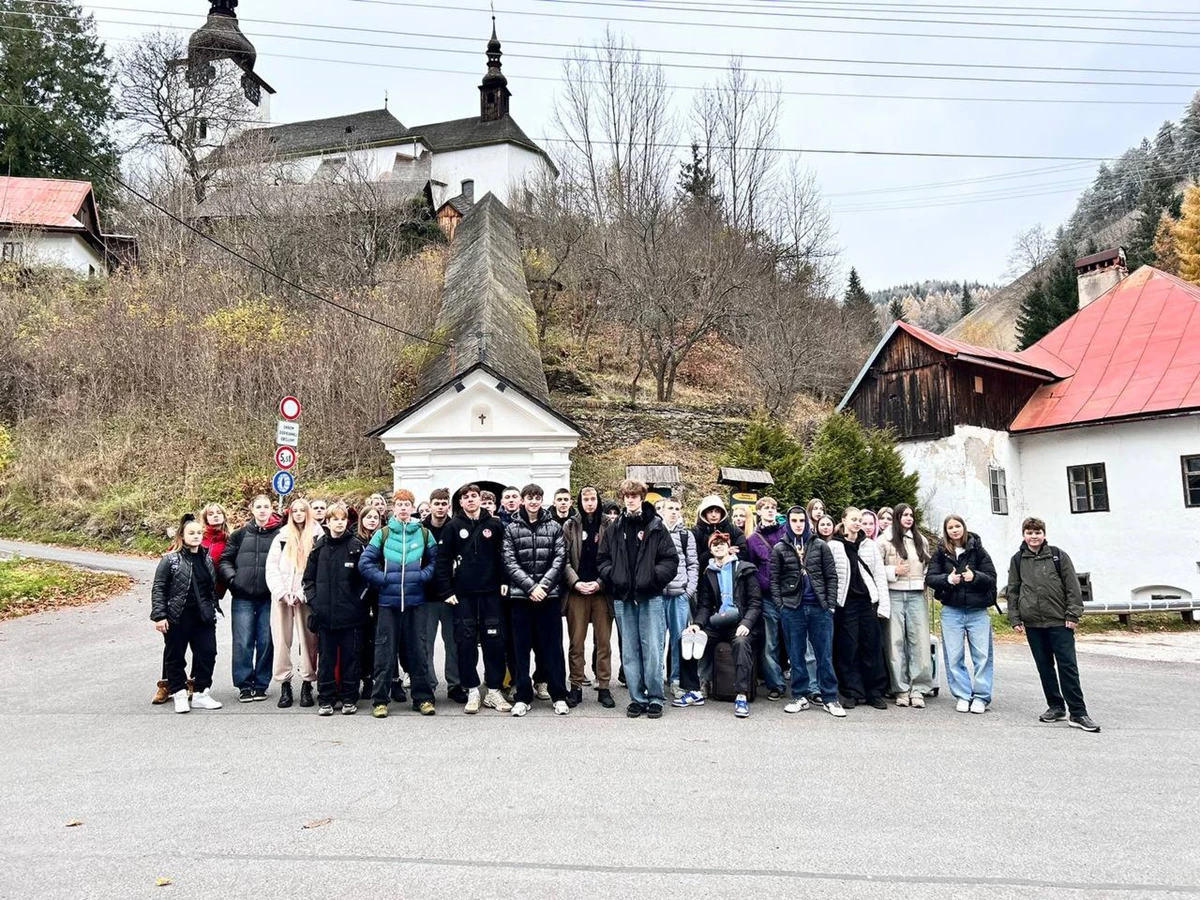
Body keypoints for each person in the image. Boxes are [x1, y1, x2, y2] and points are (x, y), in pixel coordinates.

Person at [1007, 517, 1099, 733]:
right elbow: (1013, 589)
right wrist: (1015, 618)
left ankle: (1077, 712)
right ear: (1024, 536)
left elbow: (1072, 587)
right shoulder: (1018, 559)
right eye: (1029, 532)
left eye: (1038, 532)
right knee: (1044, 666)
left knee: (1067, 665)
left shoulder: (1058, 556)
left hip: (1059, 620)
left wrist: (1073, 614)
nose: (1034, 536)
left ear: (1044, 534)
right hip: (1033, 622)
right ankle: (1055, 705)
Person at [598, 479, 679, 719]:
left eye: (635, 496)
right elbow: (602, 560)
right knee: (630, 651)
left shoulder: (656, 526)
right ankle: (637, 698)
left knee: (652, 648)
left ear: (642, 498)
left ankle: (655, 697)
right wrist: (615, 577)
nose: (630, 499)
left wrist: (652, 578)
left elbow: (670, 560)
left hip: (650, 596)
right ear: (623, 498)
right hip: (623, 597)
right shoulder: (614, 528)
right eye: (627, 496)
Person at [360, 489, 438, 718]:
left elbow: (436, 561)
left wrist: (422, 577)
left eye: (407, 504)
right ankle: (380, 701)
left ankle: (423, 698)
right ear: (394, 508)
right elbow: (365, 563)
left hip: (416, 603)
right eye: (399, 504)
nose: (403, 508)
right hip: (388, 604)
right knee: (384, 653)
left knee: (418, 652)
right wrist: (383, 579)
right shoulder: (383, 534)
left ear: (413, 508)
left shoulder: (424, 534)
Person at [436, 484, 511, 714]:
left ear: (481, 499)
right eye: (466, 497)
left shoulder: (495, 525)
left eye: (474, 496)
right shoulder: (452, 527)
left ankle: (494, 690)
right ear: (460, 502)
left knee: (494, 642)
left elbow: (504, 556)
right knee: (466, 642)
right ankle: (471, 689)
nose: (470, 500)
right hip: (463, 596)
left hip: (490, 594)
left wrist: (505, 581)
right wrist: (447, 591)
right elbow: (443, 561)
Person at [503, 483, 570, 717]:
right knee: (520, 649)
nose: (533, 502)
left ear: (542, 501)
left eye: (537, 498)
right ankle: (522, 696)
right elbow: (510, 562)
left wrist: (543, 586)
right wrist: (531, 587)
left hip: (548, 596)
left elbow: (560, 558)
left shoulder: (554, 528)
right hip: (521, 598)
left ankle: (559, 695)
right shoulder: (511, 528)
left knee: (552, 649)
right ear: (523, 500)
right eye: (529, 498)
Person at [771, 506, 844, 717]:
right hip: (793, 608)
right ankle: (799, 696)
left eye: (801, 520)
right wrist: (781, 606)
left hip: (819, 608)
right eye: (794, 521)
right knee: (796, 655)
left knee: (824, 655)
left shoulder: (820, 545)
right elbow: (775, 580)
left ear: (807, 522)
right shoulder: (780, 548)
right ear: (788, 523)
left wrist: (830, 605)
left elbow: (831, 576)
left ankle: (830, 697)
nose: (798, 524)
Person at [683, 532, 761, 718]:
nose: (719, 547)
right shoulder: (708, 573)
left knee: (741, 644)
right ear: (710, 549)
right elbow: (704, 605)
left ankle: (741, 695)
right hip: (718, 623)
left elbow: (755, 602)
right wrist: (697, 625)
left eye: (722, 543)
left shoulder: (745, 569)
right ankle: (694, 690)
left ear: (729, 546)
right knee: (689, 638)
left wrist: (747, 623)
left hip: (741, 623)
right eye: (714, 544)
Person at [151, 515, 223, 713]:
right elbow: (159, 587)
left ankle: (201, 693)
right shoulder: (170, 560)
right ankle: (179, 693)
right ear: (182, 535)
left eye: (199, 533)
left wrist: (212, 609)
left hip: (204, 616)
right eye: (191, 533)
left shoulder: (207, 558)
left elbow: (210, 588)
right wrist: (159, 615)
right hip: (177, 616)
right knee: (175, 656)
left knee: (207, 654)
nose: (196, 536)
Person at [926, 515, 996, 715]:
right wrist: (947, 579)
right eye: (950, 527)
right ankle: (963, 695)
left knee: (982, 656)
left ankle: (981, 697)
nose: (955, 530)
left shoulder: (978, 551)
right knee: (954, 655)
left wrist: (975, 577)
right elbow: (931, 578)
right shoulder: (941, 553)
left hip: (977, 611)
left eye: (958, 526)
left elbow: (991, 578)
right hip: (952, 611)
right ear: (946, 531)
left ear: (964, 528)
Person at [303, 503, 367, 716]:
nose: (339, 523)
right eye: (334, 519)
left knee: (351, 658)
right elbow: (308, 579)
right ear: (327, 522)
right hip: (325, 616)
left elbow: (366, 580)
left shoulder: (356, 546)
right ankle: (326, 699)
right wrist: (315, 602)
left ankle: (349, 698)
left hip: (352, 616)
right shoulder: (318, 548)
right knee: (327, 660)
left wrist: (358, 602)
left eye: (342, 519)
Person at [219, 495, 282, 702]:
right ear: (252, 509)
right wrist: (233, 580)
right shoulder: (239, 535)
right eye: (259, 507)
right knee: (243, 641)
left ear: (272, 509)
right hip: (242, 597)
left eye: (266, 507)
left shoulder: (280, 534)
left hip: (269, 597)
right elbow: (225, 560)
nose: (263, 510)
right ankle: (244, 685)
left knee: (266, 641)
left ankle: (261, 684)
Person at [829, 507, 891, 711]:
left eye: (860, 520)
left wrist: (883, 604)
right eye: (853, 519)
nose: (857, 523)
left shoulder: (869, 545)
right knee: (848, 647)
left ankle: (874, 691)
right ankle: (851, 691)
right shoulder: (834, 546)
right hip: (846, 603)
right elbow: (831, 576)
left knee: (871, 646)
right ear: (844, 520)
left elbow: (879, 574)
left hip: (867, 602)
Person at [266, 497, 323, 709]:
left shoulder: (318, 537)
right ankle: (284, 684)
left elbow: (318, 569)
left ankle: (307, 683)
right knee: (282, 640)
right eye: (295, 511)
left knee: (309, 640)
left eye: (302, 510)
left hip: (305, 596)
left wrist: (302, 593)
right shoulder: (281, 537)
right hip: (283, 597)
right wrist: (282, 592)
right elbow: (271, 568)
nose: (298, 514)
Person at [562, 486, 615, 708]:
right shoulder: (570, 525)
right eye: (585, 499)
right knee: (576, 642)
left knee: (603, 643)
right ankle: (575, 686)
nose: (590, 502)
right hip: (577, 591)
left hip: (602, 591)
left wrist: (600, 583)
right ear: (580, 501)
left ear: (598, 500)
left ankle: (603, 687)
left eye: (593, 498)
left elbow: (616, 558)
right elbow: (562, 559)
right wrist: (575, 582)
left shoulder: (610, 525)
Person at [878, 503, 934, 708]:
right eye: (904, 515)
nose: (909, 518)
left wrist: (926, 581)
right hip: (894, 593)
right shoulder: (884, 540)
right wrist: (893, 571)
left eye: (911, 515)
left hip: (916, 594)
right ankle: (900, 689)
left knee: (919, 641)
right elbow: (874, 568)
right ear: (897, 517)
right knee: (895, 642)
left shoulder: (921, 540)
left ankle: (918, 688)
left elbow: (929, 566)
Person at [422, 488, 465, 704]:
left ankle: (455, 684)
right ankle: (428, 685)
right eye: (436, 503)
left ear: (449, 506)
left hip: (451, 597)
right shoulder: (420, 530)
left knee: (453, 643)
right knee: (426, 644)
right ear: (429, 505)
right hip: (426, 597)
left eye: (443, 503)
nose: (440, 507)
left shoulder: (455, 527)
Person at [745, 496, 786, 701]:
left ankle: (806, 686)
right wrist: (763, 583)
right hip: (768, 596)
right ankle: (775, 684)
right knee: (771, 643)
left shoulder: (786, 532)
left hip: (790, 593)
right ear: (758, 511)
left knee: (799, 642)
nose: (770, 511)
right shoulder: (752, 539)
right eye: (766, 508)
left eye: (773, 508)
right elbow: (751, 567)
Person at [660, 497, 698, 700]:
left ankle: (675, 680)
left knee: (677, 640)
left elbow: (693, 564)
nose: (674, 512)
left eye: (677, 508)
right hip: (658, 595)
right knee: (656, 641)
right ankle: (656, 681)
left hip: (679, 595)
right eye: (670, 508)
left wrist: (689, 590)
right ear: (663, 511)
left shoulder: (686, 535)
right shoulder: (655, 531)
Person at [356, 505, 383, 701]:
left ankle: (382, 679)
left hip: (381, 594)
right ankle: (364, 678)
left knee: (380, 640)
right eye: (368, 517)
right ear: (361, 519)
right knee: (362, 641)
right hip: (360, 596)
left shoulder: (385, 538)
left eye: (375, 517)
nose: (372, 520)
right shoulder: (354, 540)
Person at [692, 495, 748, 571]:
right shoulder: (696, 532)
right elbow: (694, 559)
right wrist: (723, 551)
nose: (713, 515)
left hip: (730, 573)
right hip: (705, 575)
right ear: (704, 513)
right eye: (710, 512)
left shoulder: (733, 530)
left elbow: (743, 552)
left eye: (717, 511)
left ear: (722, 512)